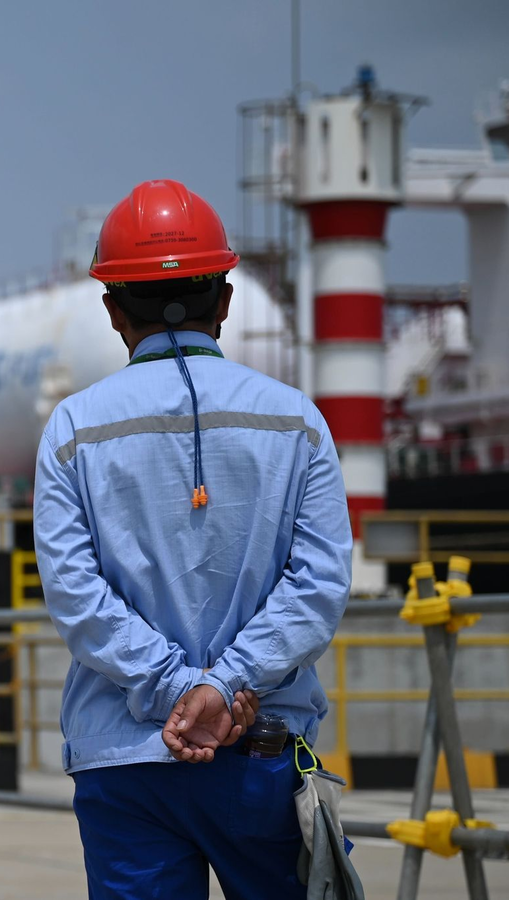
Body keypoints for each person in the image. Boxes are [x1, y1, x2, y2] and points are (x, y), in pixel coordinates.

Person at [33, 179, 352, 900]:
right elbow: (319, 586)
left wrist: (177, 689)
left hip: (126, 762)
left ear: (113, 310)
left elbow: (76, 596)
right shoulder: (297, 421)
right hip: (260, 749)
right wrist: (224, 686)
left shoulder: (73, 430)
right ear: (225, 300)